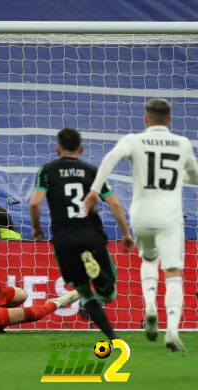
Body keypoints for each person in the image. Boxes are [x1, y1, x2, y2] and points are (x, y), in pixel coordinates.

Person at [83, 99, 198, 353]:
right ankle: (172, 331)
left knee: (148, 259)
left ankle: (149, 307)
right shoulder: (182, 144)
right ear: (170, 119)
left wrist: (94, 190)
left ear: (146, 119)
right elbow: (196, 176)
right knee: (173, 273)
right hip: (170, 217)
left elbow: (110, 158)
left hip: (141, 216)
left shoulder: (133, 140)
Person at [28, 127, 134, 343]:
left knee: (85, 293)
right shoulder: (93, 172)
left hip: (64, 238)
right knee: (108, 289)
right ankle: (98, 274)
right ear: (81, 148)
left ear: (58, 149)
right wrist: (125, 232)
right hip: (91, 235)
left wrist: (37, 227)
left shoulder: (47, 171)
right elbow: (114, 203)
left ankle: (112, 337)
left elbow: (34, 203)